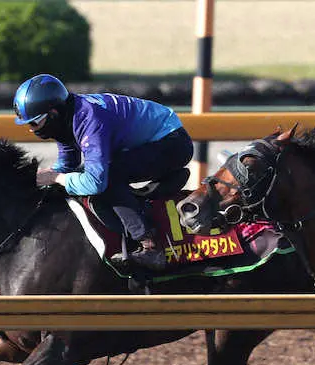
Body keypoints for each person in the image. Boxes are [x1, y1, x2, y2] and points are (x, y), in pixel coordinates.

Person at [13, 74, 195, 272]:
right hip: (153, 141)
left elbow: (95, 181)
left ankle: (150, 246)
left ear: (54, 113)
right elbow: (68, 165)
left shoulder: (88, 118)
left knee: (108, 177)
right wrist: (40, 177)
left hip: (172, 143)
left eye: (33, 123)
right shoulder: (65, 119)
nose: (31, 130)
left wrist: (56, 177)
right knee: (88, 176)